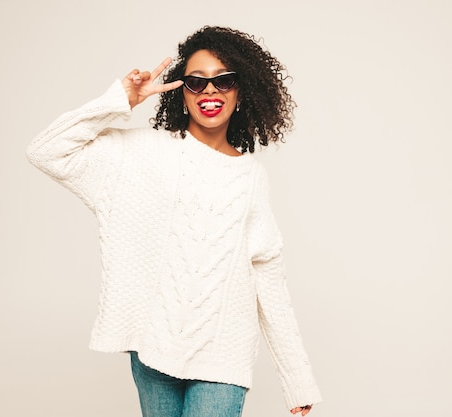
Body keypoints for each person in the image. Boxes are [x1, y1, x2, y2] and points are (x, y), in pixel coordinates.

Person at [26, 26, 321, 417]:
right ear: (181, 92)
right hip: (152, 347)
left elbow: (268, 277)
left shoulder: (251, 178)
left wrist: (296, 378)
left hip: (221, 352)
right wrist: (121, 100)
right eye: (196, 82)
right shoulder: (139, 153)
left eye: (224, 80)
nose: (210, 91)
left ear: (241, 90)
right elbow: (45, 152)